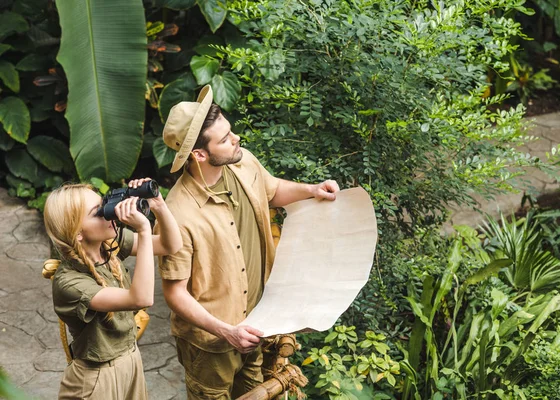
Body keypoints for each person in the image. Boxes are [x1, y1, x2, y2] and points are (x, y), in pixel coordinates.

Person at [158, 85, 340, 399]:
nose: (236, 138)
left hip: (255, 326)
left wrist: (312, 190)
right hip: (211, 344)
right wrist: (227, 331)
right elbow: (174, 293)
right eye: (225, 138)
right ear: (200, 154)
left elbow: (271, 191)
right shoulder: (178, 212)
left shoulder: (242, 163)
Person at [43, 179, 182, 400]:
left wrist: (158, 205)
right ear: (77, 233)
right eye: (97, 212)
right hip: (96, 378)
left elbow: (170, 245)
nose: (111, 213)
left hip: (131, 361)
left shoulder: (108, 245)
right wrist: (143, 230)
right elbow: (141, 298)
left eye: (104, 204)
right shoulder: (68, 283)